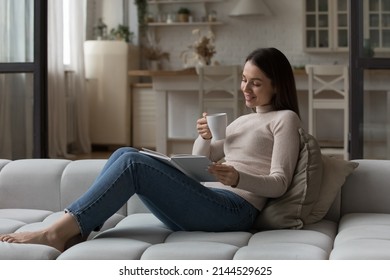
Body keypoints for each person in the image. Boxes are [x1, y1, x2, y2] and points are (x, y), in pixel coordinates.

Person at [0, 47, 302, 252]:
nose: (246, 89)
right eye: (244, 80)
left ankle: (55, 232)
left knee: (133, 164)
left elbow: (280, 182)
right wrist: (206, 137)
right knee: (124, 153)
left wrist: (238, 179)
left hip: (235, 210)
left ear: (277, 86)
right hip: (210, 200)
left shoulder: (285, 120)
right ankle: (79, 228)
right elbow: (202, 159)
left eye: (256, 83)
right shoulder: (243, 121)